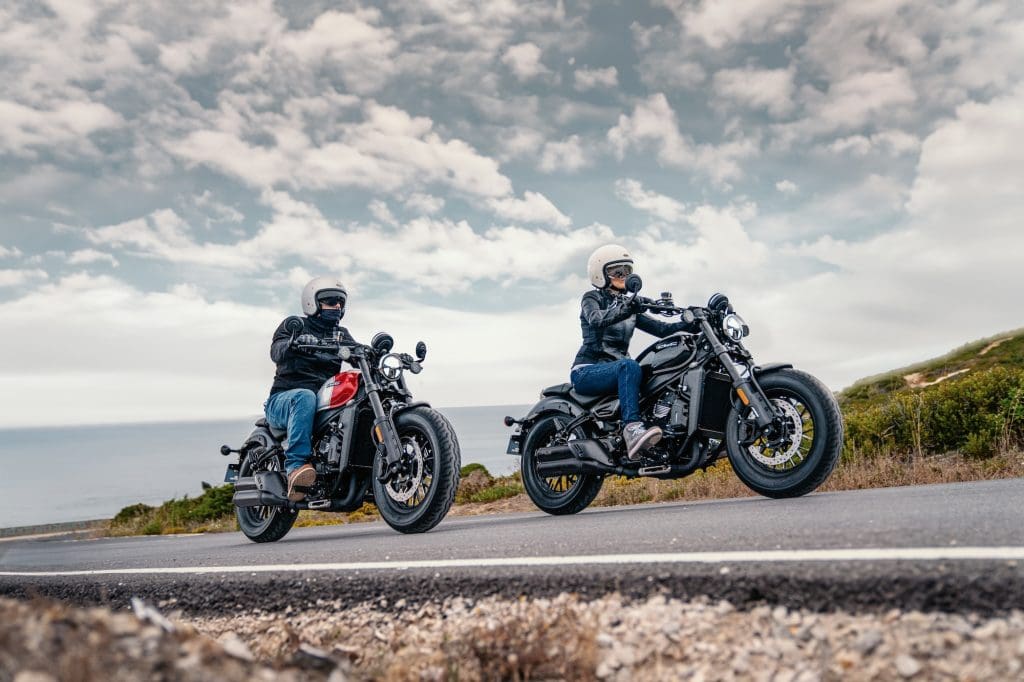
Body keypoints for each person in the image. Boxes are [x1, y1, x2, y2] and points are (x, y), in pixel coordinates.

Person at [570, 244, 697, 461]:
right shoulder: (591, 298)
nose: (624, 276)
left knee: (653, 372)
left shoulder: (629, 306)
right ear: (601, 274)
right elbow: (597, 319)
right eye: (617, 272)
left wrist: (693, 322)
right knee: (630, 366)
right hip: (587, 370)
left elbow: (662, 330)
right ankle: (632, 429)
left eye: (627, 271)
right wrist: (630, 307)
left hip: (616, 368)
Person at [265, 277, 357, 501]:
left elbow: (357, 352)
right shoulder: (294, 325)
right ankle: (296, 468)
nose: (336, 306)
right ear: (312, 303)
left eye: (339, 302)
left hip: (318, 401)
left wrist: (376, 352)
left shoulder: (340, 334)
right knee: (305, 397)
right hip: (284, 400)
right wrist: (292, 343)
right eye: (330, 301)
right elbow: (276, 351)